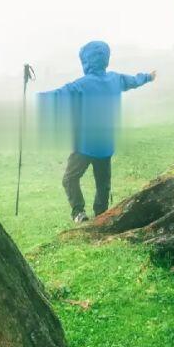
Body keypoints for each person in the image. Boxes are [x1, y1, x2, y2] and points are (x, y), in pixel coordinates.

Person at [38, 40, 156, 222]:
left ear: (86, 61)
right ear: (105, 59)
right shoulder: (116, 79)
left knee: (70, 179)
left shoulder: (81, 85)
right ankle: (102, 215)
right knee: (103, 184)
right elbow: (134, 81)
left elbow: (57, 96)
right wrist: (148, 77)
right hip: (105, 145)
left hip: (85, 145)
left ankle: (79, 212)